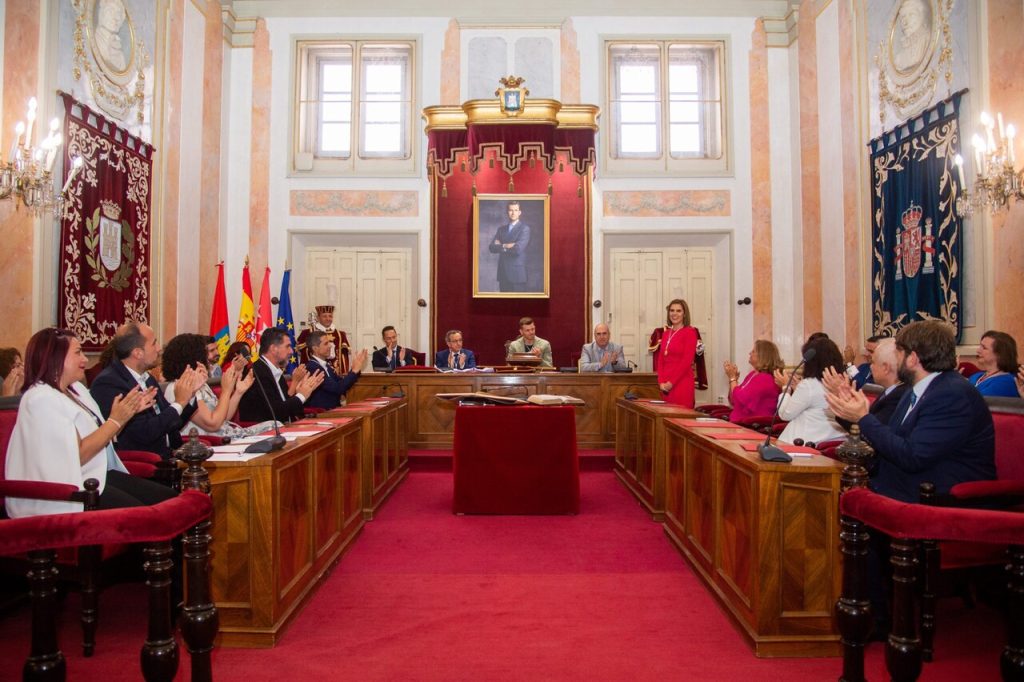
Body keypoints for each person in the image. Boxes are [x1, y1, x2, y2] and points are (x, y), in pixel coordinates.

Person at [5, 327, 176, 517]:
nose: (85, 360)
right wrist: (116, 420)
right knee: (151, 517)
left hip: (95, 477)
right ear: (55, 357)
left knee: (171, 501)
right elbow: (78, 454)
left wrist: (126, 415)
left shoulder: (77, 390)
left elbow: (103, 435)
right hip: (67, 493)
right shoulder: (40, 398)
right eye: (78, 353)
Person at [825, 320, 995, 503]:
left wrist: (864, 418)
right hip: (899, 486)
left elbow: (913, 457)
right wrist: (854, 413)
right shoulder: (913, 391)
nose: (894, 361)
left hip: (937, 498)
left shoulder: (952, 394)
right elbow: (891, 440)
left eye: (897, 353)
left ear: (912, 358)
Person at [90, 322, 203, 460]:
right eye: (154, 343)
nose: (159, 348)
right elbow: (145, 433)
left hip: (172, 455)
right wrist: (179, 402)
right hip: (147, 463)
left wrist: (188, 395)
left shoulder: (147, 377)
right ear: (138, 353)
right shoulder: (109, 383)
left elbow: (172, 423)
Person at [161, 333, 277, 439]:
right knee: (274, 428)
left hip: (226, 435)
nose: (206, 358)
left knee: (276, 425)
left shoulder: (200, 384)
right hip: (212, 444)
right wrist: (226, 391)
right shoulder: (181, 387)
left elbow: (224, 417)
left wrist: (238, 392)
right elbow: (213, 424)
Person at [238, 327, 324, 423]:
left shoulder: (275, 371)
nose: (291, 351)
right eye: (287, 346)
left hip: (284, 429)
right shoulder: (257, 373)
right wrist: (301, 396)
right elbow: (276, 413)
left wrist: (303, 391)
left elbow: (289, 410)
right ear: (274, 349)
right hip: (264, 433)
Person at [775, 337, 847, 446]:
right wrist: (798, 388)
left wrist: (786, 388)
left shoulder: (809, 384)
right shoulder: (844, 381)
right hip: (832, 442)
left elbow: (785, 414)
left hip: (803, 445)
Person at [825, 338, 909, 430]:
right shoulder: (887, 391)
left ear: (886, 368)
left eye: (873, 362)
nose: (871, 367)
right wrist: (847, 403)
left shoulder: (898, 396)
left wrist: (844, 397)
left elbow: (874, 433)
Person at [722, 340, 783, 422]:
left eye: (753, 351)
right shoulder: (753, 374)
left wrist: (732, 378)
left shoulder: (765, 379)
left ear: (763, 356)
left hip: (752, 426)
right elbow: (733, 400)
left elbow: (738, 399)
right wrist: (733, 380)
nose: (750, 353)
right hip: (740, 423)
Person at [305, 330, 368, 410]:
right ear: (315, 348)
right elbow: (338, 388)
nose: (330, 346)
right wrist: (354, 371)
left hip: (332, 409)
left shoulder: (325, 365)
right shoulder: (313, 367)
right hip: (323, 413)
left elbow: (340, 382)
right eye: (326, 343)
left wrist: (355, 369)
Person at [656, 299, 699, 407]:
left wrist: (671, 382)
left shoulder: (690, 332)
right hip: (665, 385)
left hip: (681, 383)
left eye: (678, 311)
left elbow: (686, 362)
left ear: (684, 314)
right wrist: (661, 381)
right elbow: (661, 359)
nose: (674, 314)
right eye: (672, 310)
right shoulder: (666, 333)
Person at [487, 201, 531, 292]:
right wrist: (506, 245)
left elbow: (518, 249)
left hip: (517, 275)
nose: (513, 213)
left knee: (518, 305)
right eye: (511, 210)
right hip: (503, 274)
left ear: (520, 212)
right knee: (503, 305)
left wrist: (500, 246)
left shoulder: (524, 229)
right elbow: (491, 247)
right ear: (507, 212)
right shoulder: (501, 229)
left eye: (516, 210)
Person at [296, 305, 350, 374]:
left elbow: (344, 357)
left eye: (330, 316)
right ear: (318, 318)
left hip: (336, 375)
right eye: (324, 316)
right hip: (314, 374)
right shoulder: (307, 333)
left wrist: (343, 373)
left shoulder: (341, 334)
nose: (328, 319)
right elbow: (303, 356)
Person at [967, 330, 1020, 397]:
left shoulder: (1005, 383)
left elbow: (975, 402)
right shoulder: (977, 376)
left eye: (984, 348)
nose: (978, 350)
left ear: (1000, 354)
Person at [892, 0, 931, 72]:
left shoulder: (928, 40)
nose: (906, 22)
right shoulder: (899, 58)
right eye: (903, 17)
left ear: (922, 16)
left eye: (911, 15)